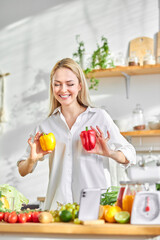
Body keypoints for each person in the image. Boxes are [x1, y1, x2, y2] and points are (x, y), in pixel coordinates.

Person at [17, 58, 136, 210]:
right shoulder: (46, 126)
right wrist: (31, 160)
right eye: (57, 84)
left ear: (80, 86)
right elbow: (22, 169)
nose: (63, 90)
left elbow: (130, 154)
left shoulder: (99, 117)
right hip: (58, 211)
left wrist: (110, 153)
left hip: (96, 209)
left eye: (70, 84)